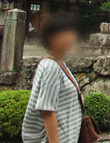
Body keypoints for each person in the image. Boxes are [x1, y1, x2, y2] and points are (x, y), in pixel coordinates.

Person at [22, 14, 82, 143]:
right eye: (66, 33)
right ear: (52, 38)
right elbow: (47, 111)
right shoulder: (51, 67)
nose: (72, 37)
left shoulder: (59, 63)